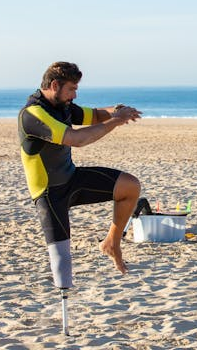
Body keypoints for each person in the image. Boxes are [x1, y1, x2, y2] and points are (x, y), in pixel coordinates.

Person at [18, 61, 142, 288]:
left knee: (131, 186)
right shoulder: (33, 114)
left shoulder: (62, 106)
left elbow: (94, 115)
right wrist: (116, 121)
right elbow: (77, 139)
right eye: (72, 89)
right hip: (49, 194)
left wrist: (117, 111)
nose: (74, 95)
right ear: (55, 85)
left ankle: (112, 243)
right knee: (62, 262)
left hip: (71, 179)